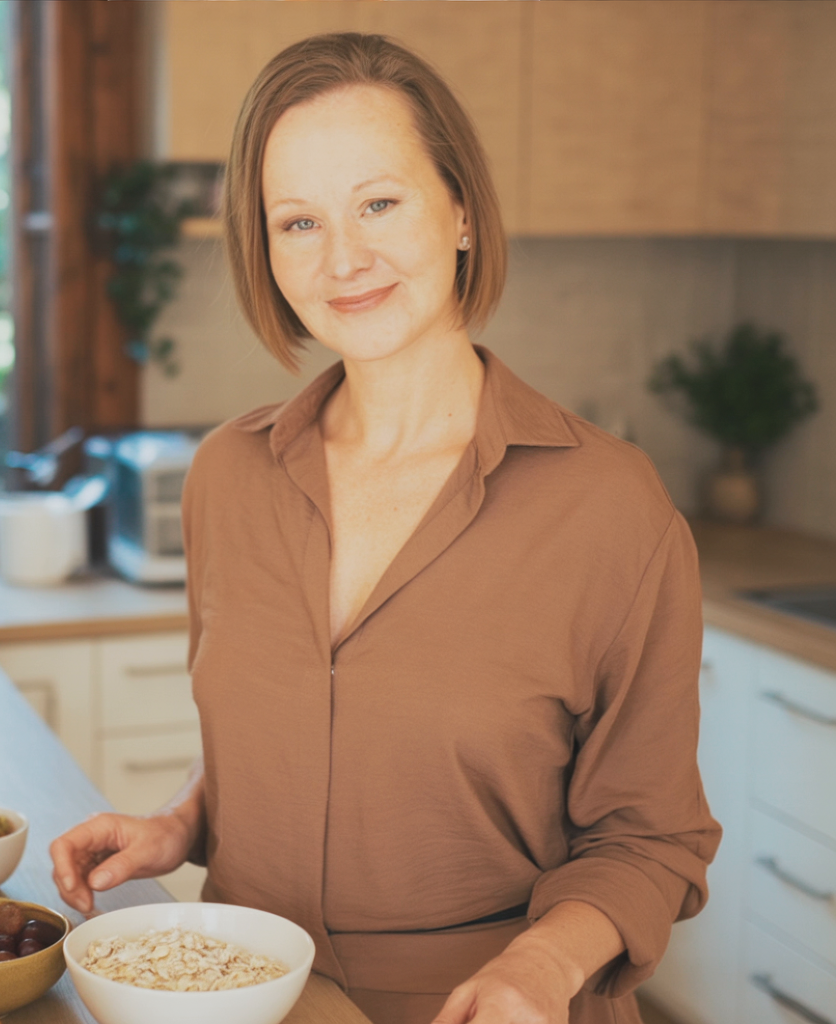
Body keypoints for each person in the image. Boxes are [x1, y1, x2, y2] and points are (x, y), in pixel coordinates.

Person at [50, 33, 721, 1024]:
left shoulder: (612, 508)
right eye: (298, 222)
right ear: (263, 249)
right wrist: (179, 821)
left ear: (457, 209)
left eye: (378, 202)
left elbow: (651, 837)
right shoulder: (224, 479)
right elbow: (294, 734)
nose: (344, 258)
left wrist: (540, 964)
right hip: (248, 996)